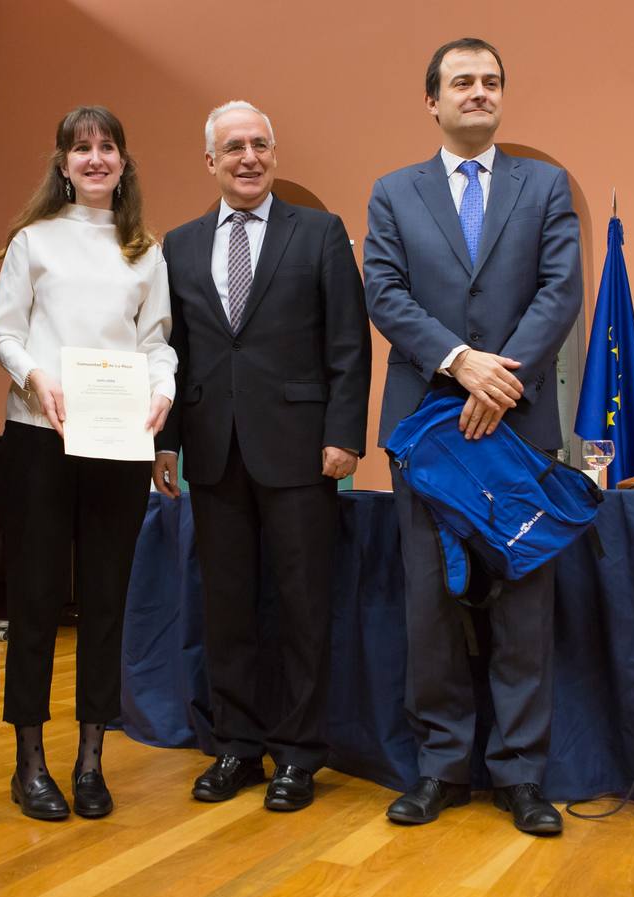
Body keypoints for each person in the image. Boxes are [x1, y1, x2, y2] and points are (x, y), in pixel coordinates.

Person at [363, 37, 583, 835]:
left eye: (492, 81)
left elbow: (562, 291)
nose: (479, 93)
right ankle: (441, 768)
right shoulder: (394, 193)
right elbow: (383, 292)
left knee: (524, 604)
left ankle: (522, 775)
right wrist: (462, 364)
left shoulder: (546, 185)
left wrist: (502, 377)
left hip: (518, 427)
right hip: (427, 429)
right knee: (430, 603)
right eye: (463, 82)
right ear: (433, 100)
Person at [153, 100, 370, 812]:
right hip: (213, 455)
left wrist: (344, 434)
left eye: (261, 145)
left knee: (304, 609)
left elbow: (348, 344)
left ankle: (300, 756)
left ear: (274, 155)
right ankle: (238, 748)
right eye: (234, 147)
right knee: (226, 610)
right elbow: (171, 355)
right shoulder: (179, 246)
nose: (249, 157)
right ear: (209, 162)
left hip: (303, 453)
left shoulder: (320, 233)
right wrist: (166, 443)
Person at [0, 106, 176, 820]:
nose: (95, 158)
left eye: (107, 148)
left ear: (123, 163)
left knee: (106, 601)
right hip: (39, 433)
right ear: (62, 162)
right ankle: (29, 764)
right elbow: (7, 335)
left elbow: (157, 340)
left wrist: (160, 390)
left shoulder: (144, 249)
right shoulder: (31, 241)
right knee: (35, 600)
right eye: (81, 148)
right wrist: (36, 378)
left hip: (117, 439)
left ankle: (91, 760)